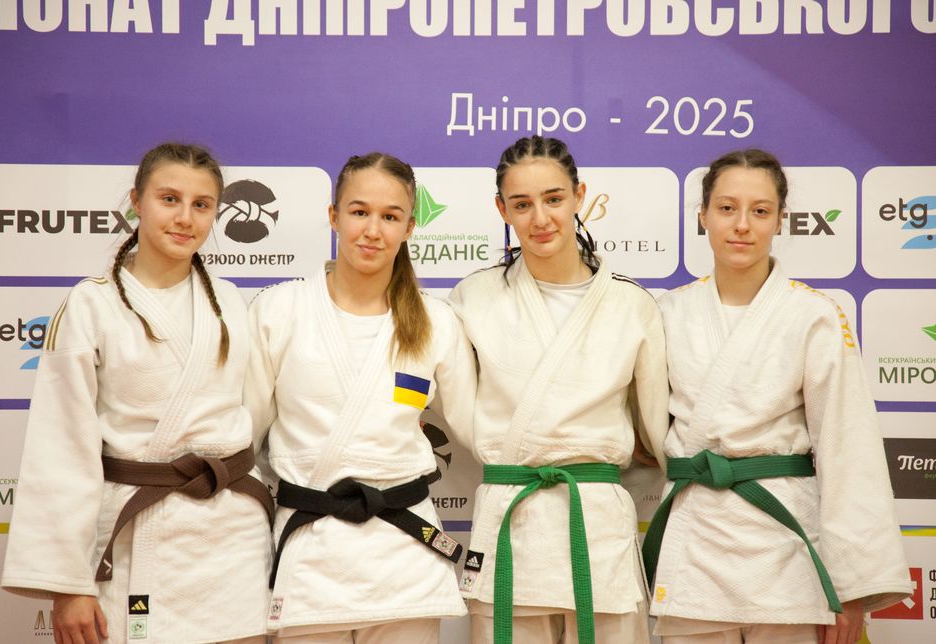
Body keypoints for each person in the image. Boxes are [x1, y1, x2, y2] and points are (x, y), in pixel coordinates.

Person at [2, 143, 274, 644]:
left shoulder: (232, 301)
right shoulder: (92, 304)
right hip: (141, 531)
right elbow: (60, 447)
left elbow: (255, 418)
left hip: (232, 538)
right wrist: (68, 584)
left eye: (201, 204)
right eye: (169, 199)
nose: (185, 218)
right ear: (136, 202)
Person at [641, 148, 912, 644]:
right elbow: (642, 430)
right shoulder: (668, 313)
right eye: (727, 208)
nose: (742, 225)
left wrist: (851, 587)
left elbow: (848, 450)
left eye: (760, 211)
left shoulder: (814, 316)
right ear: (703, 216)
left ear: (780, 220)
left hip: (785, 544)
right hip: (697, 543)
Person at [245, 152, 476, 644]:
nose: (373, 230)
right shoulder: (278, 310)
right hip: (312, 549)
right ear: (333, 216)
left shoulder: (436, 322)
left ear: (409, 228)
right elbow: (243, 436)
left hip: (403, 552)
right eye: (359, 212)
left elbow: (481, 428)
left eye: (390, 216)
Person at [448, 135, 669, 644]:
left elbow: (659, 432)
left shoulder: (632, 305)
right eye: (522, 204)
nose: (540, 218)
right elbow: (458, 411)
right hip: (511, 519)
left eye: (553, 199)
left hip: (595, 526)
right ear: (502, 209)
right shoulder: (473, 298)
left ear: (579, 196)